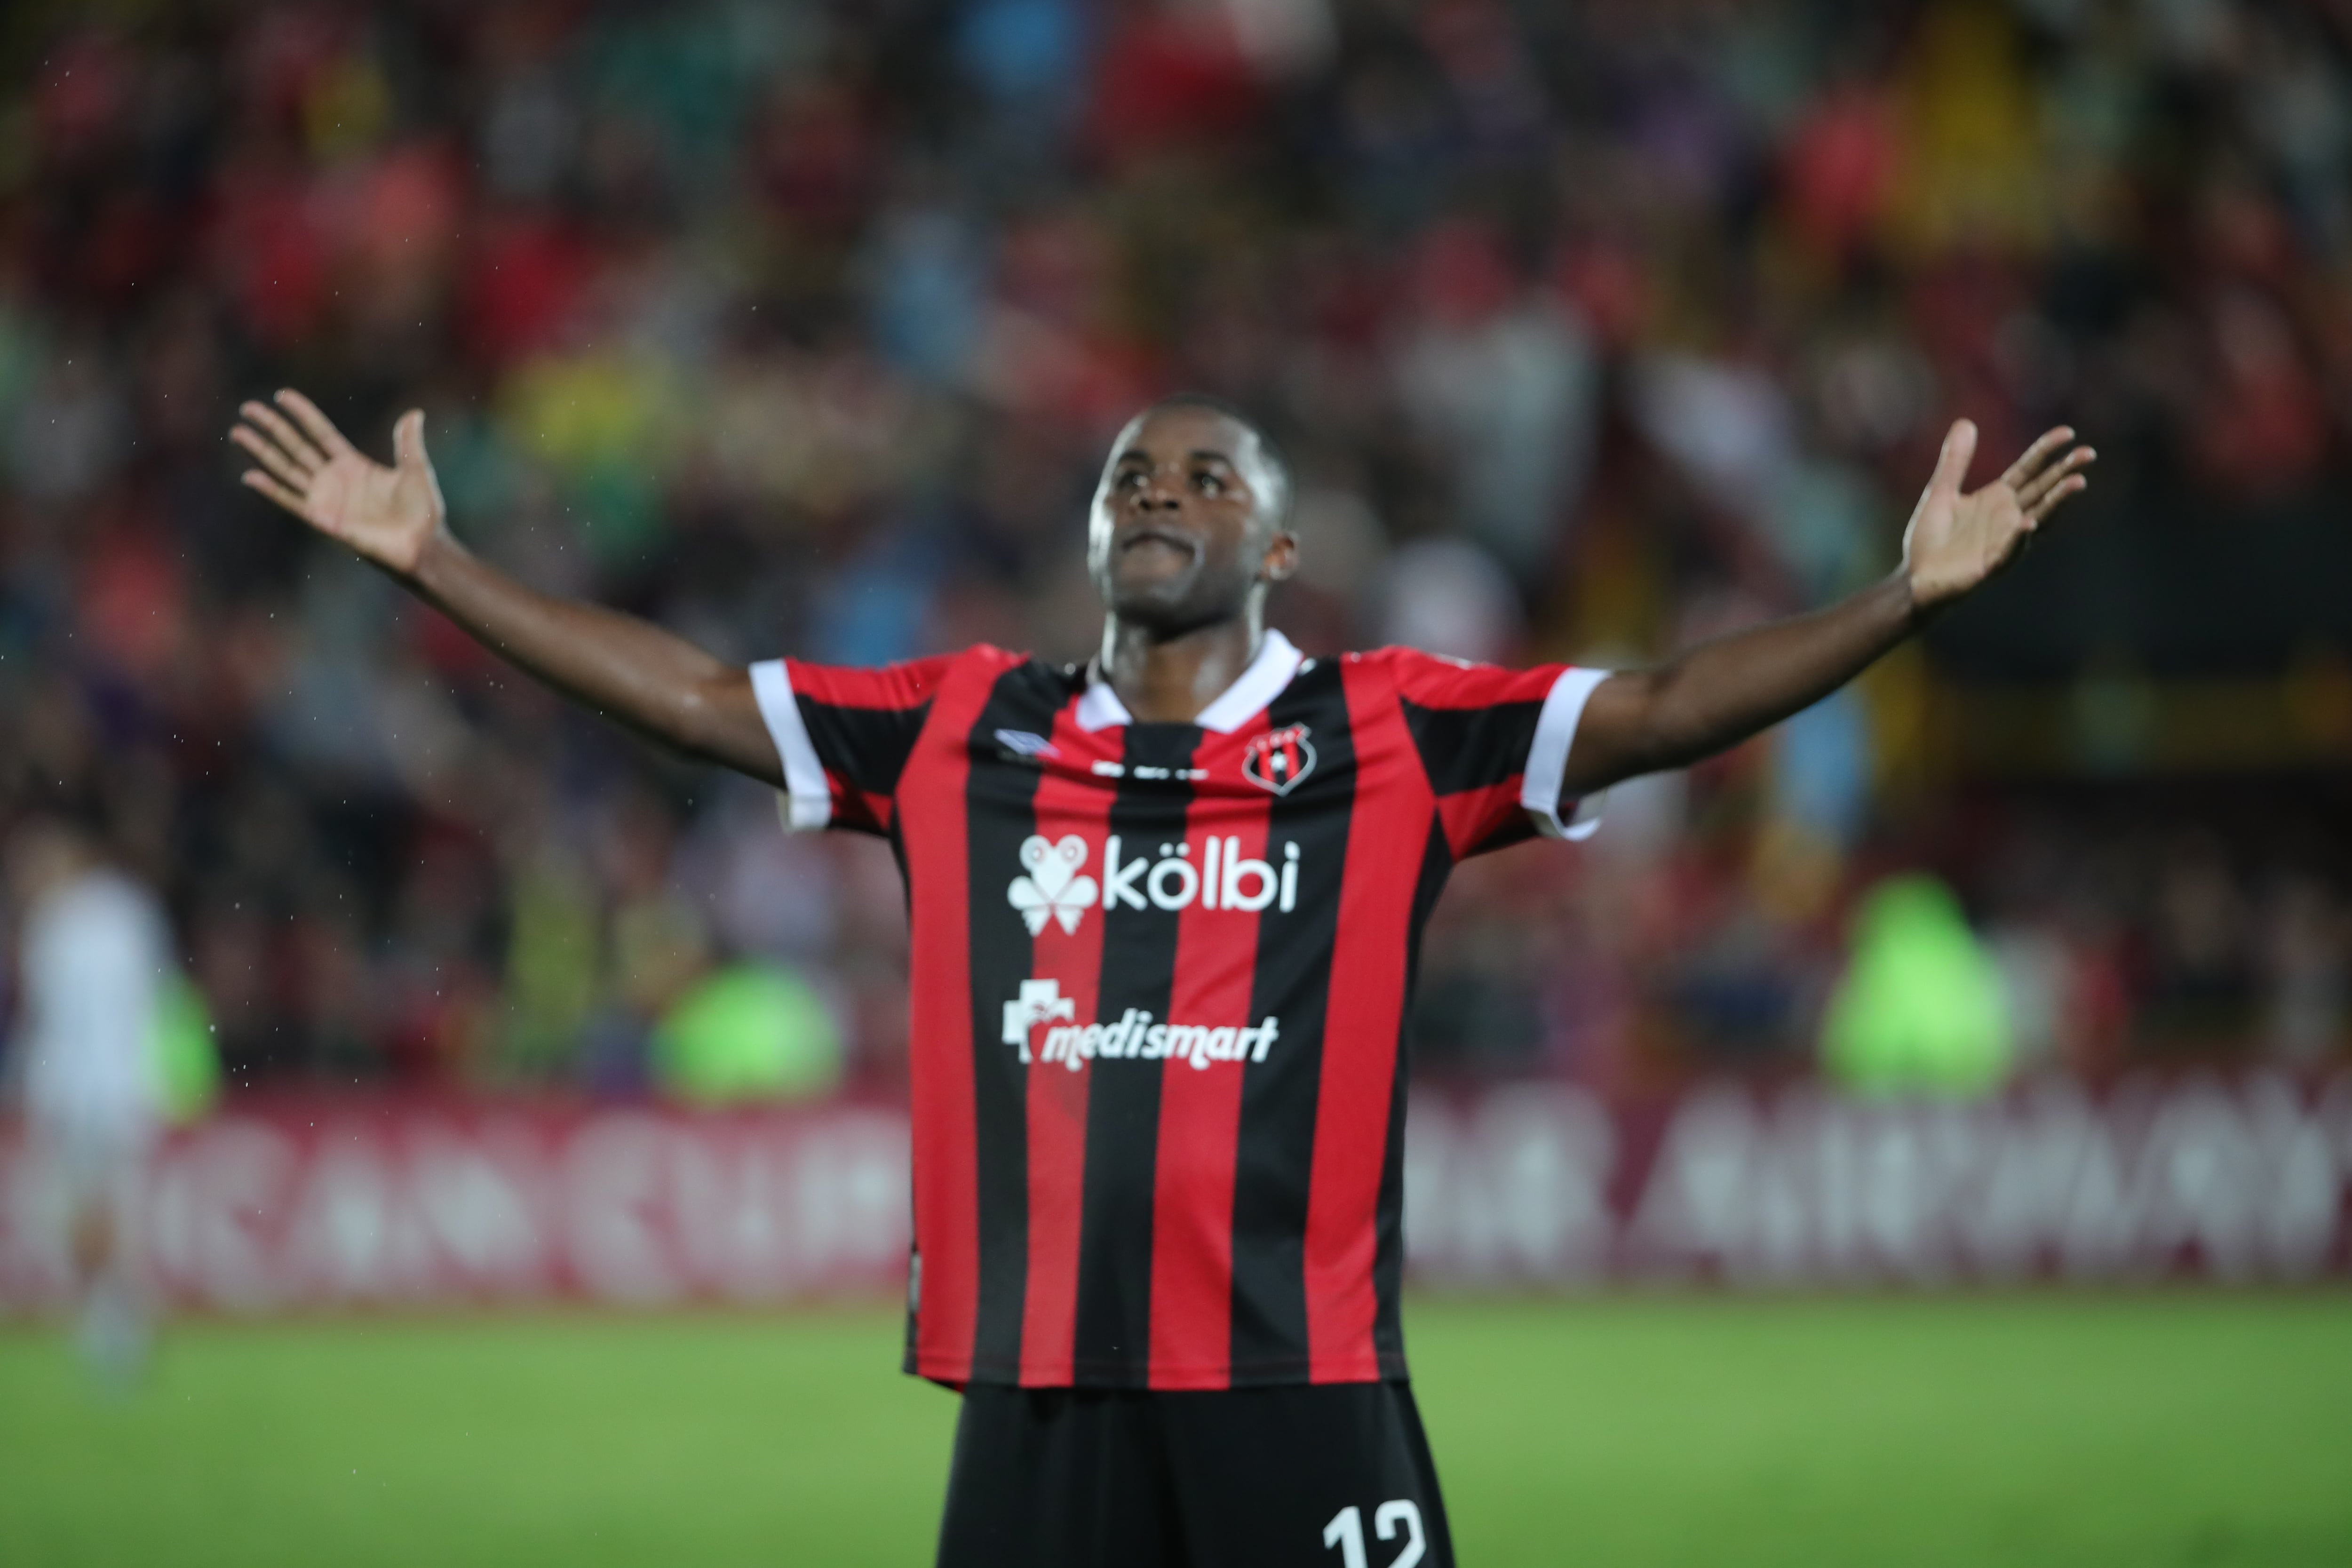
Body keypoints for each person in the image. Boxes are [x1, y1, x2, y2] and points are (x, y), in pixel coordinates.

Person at [230, 387, 2091, 1565]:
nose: (1160, 485)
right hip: (1037, 1384)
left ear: (1274, 548)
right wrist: (435, 563)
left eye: (1209, 472)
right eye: (1133, 469)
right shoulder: (965, 724)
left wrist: (1897, 600)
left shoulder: (1393, 735)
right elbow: (707, 700)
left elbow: (1669, 704)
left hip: (1296, 1369)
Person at [5, 818, 176, 1387]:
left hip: (79, 1088)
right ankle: (116, 1322)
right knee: (103, 1211)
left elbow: (49, 1017)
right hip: (127, 1084)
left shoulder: (54, 924)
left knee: (81, 1211)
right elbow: (156, 992)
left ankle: (112, 1328)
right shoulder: (131, 911)